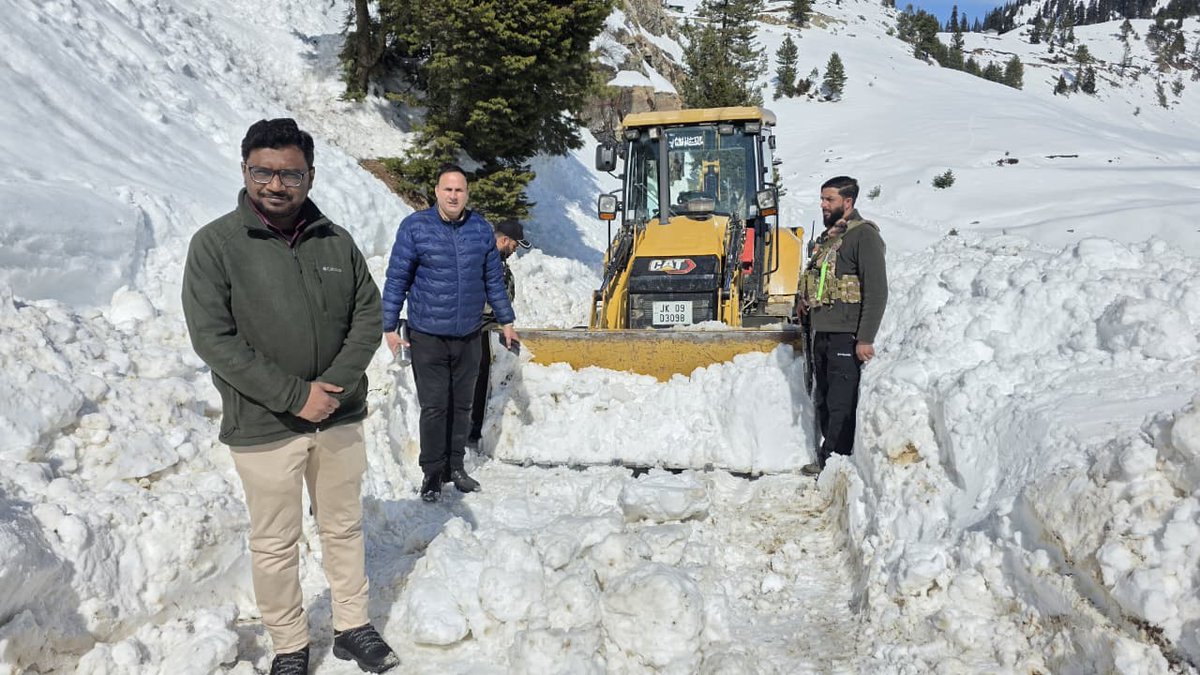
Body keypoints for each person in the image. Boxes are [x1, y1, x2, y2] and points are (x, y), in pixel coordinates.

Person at [182, 118, 399, 674]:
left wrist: (335, 387)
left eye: (290, 174)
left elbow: (367, 316)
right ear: (245, 170)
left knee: (343, 525)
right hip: (263, 423)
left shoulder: (335, 240)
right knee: (276, 542)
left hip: (340, 416)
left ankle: (352, 625)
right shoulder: (216, 246)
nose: (276, 185)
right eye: (264, 172)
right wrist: (293, 395)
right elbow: (213, 338)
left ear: (309, 175)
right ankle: (290, 644)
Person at [381, 164, 518, 503]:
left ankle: (456, 467)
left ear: (466, 194)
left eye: (459, 190)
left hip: (468, 333)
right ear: (437, 192)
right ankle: (432, 473)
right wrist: (388, 325)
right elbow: (397, 278)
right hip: (427, 333)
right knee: (434, 406)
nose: (454, 195)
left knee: (462, 405)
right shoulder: (415, 228)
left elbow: (492, 280)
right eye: (448, 189)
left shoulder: (480, 230)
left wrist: (507, 319)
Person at [797, 175, 888, 475]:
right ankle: (828, 458)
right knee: (823, 399)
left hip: (846, 334)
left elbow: (876, 291)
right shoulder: (830, 239)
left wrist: (865, 338)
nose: (823, 205)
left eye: (830, 200)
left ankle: (837, 463)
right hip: (822, 332)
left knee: (840, 402)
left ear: (847, 202)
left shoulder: (864, 236)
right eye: (822, 199)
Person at [469, 219, 530, 446]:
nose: (514, 251)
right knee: (477, 375)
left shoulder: (496, 261)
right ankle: (472, 426)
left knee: (483, 375)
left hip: (486, 327)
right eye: (514, 246)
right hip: (476, 327)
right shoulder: (484, 259)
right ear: (504, 240)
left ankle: (476, 423)